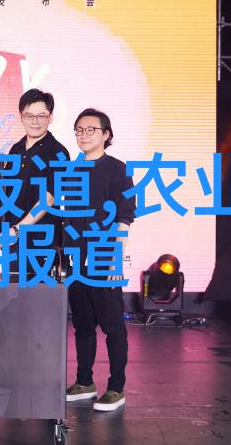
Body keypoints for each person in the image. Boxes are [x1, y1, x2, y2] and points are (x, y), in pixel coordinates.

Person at [63, 108, 136, 411]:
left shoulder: (118, 170)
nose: (83, 135)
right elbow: (67, 216)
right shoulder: (71, 169)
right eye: (79, 130)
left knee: (112, 326)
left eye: (90, 129)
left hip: (103, 257)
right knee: (82, 325)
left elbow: (124, 217)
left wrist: (114, 259)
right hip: (75, 259)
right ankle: (84, 381)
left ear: (106, 134)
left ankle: (117, 388)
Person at [2, 88, 70, 273]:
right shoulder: (16, 149)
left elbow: (50, 197)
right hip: (12, 241)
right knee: (11, 288)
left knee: (37, 291)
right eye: (29, 115)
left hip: (40, 242)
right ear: (21, 117)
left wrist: (18, 229)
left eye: (41, 115)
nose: (35, 121)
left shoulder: (59, 152)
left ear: (50, 117)